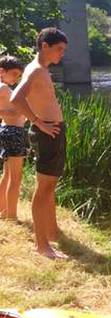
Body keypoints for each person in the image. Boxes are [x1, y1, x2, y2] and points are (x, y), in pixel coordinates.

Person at [10, 28, 68, 259]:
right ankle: (41, 245)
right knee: (43, 189)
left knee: (49, 187)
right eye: (59, 49)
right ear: (45, 46)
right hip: (47, 134)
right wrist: (38, 122)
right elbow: (16, 98)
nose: (62, 54)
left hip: (52, 133)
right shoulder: (35, 70)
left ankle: (51, 232)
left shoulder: (40, 69)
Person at [0, 56, 27, 222]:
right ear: (2, 72)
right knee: (15, 178)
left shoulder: (4, 88)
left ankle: (3, 211)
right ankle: (11, 217)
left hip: (8, 130)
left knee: (8, 175)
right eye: (15, 74)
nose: (17, 78)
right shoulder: (3, 88)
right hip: (13, 132)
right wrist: (7, 113)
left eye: (19, 75)